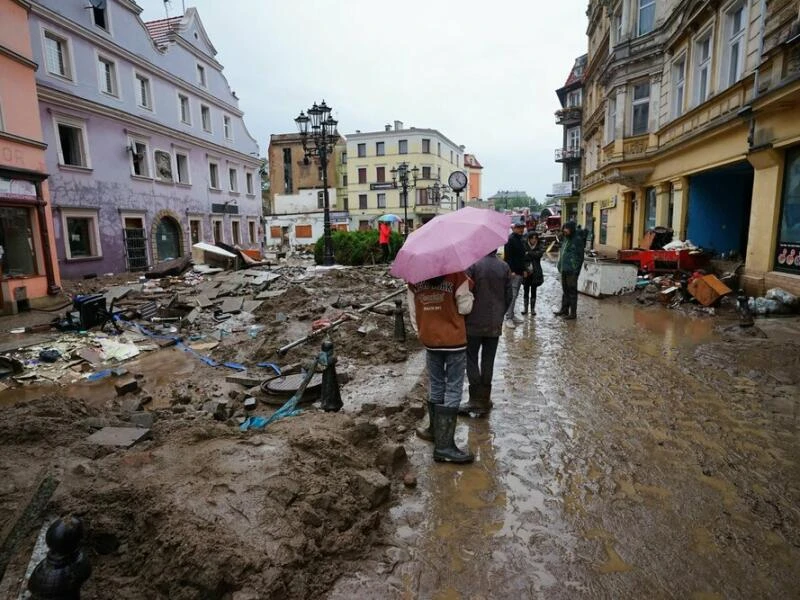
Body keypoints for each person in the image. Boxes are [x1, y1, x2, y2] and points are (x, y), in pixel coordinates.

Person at [409, 271, 475, 463]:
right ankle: (445, 446)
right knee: (453, 387)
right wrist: (470, 295)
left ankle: (433, 430)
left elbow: (413, 312)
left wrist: (423, 331)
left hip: (430, 339)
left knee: (436, 383)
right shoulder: (456, 276)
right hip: (453, 339)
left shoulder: (414, 279)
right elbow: (465, 308)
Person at [459, 251, 512, 416]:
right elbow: (509, 296)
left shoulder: (472, 266)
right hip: (494, 324)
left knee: (471, 358)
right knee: (488, 360)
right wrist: (499, 314)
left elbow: (464, 293)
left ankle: (475, 399)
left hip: (473, 322)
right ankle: (485, 399)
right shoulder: (504, 266)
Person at [554, 221, 588, 320]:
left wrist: (575, 269)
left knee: (572, 292)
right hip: (564, 269)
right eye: (564, 228)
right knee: (565, 291)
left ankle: (573, 314)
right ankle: (564, 310)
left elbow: (580, 257)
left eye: (567, 228)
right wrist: (560, 266)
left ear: (572, 229)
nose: (565, 230)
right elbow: (563, 253)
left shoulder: (577, 240)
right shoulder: (566, 238)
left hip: (571, 271)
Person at [503, 219, 527, 327]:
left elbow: (522, 257)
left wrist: (524, 270)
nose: (521, 229)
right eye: (519, 227)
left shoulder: (521, 239)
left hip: (520, 271)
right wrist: (511, 271)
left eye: (522, 227)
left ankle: (512, 315)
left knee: (515, 295)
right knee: (512, 295)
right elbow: (508, 257)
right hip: (514, 273)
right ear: (514, 228)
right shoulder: (510, 240)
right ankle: (508, 318)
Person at [521, 231, 544, 315]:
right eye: (532, 238)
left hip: (536, 272)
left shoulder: (540, 246)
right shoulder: (524, 245)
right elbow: (523, 257)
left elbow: (539, 255)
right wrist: (532, 254)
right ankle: (525, 308)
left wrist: (529, 253)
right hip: (526, 272)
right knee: (526, 290)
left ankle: (533, 309)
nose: (534, 240)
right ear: (529, 239)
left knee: (534, 290)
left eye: (535, 238)